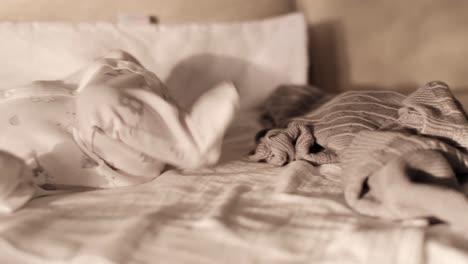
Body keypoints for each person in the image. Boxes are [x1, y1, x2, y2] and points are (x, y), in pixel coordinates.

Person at [0, 50, 239, 212]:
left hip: (111, 96)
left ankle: (166, 121)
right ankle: (190, 145)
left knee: (114, 61)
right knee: (97, 101)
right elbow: (10, 194)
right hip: (110, 153)